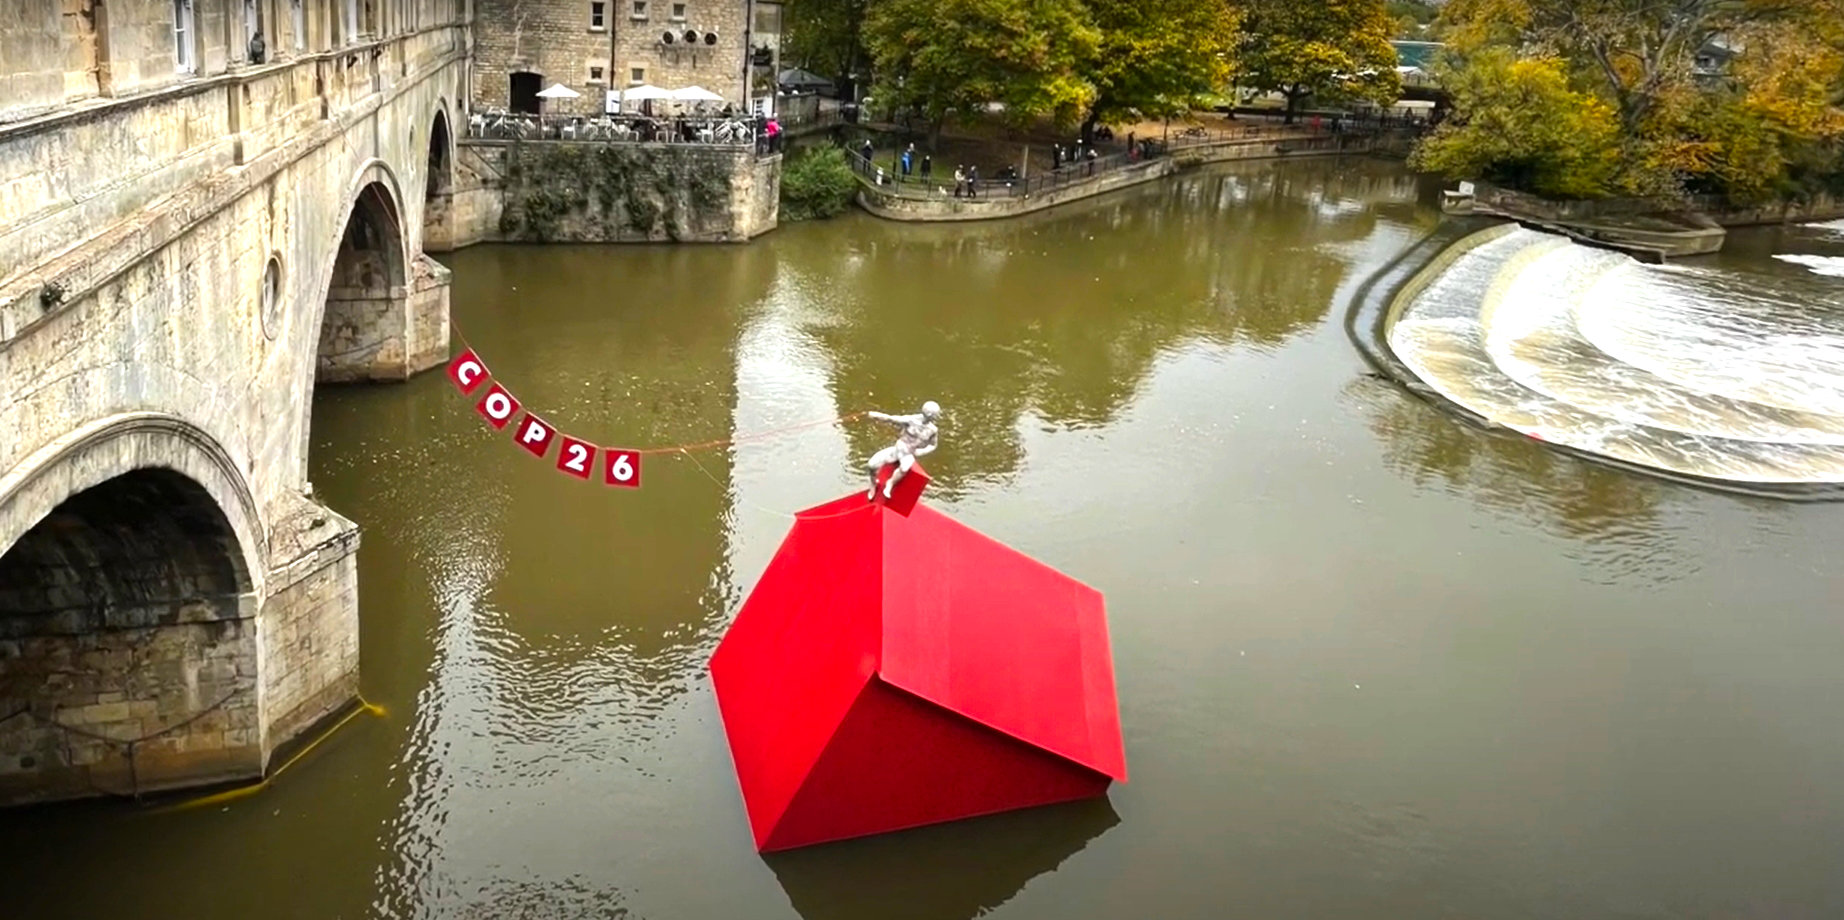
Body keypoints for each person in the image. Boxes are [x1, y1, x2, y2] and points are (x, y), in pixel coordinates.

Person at [865, 402, 941, 500]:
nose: (936, 417)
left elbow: (933, 445)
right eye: (935, 415)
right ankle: (873, 483)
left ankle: (890, 483)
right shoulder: (912, 420)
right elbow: (892, 419)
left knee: (904, 468)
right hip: (898, 448)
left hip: (909, 452)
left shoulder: (933, 430)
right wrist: (877, 416)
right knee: (872, 464)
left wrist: (921, 452)